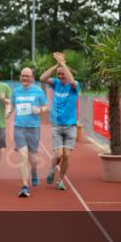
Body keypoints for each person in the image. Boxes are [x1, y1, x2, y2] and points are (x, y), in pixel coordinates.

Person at [40, 52, 80, 191]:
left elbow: (72, 81)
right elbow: (42, 78)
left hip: (70, 125)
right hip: (57, 125)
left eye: (63, 74)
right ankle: (52, 170)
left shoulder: (74, 86)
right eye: (59, 74)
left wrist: (63, 65)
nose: (61, 77)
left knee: (67, 155)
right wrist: (56, 65)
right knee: (59, 155)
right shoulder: (55, 84)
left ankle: (61, 180)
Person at [11, 67, 49, 197]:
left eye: (27, 76)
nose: (24, 78)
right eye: (22, 75)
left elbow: (45, 107)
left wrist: (40, 110)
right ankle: (25, 186)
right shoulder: (15, 92)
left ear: (32, 78)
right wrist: (8, 112)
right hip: (19, 128)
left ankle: (34, 171)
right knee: (23, 156)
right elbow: (12, 106)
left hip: (33, 128)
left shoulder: (38, 91)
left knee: (33, 158)